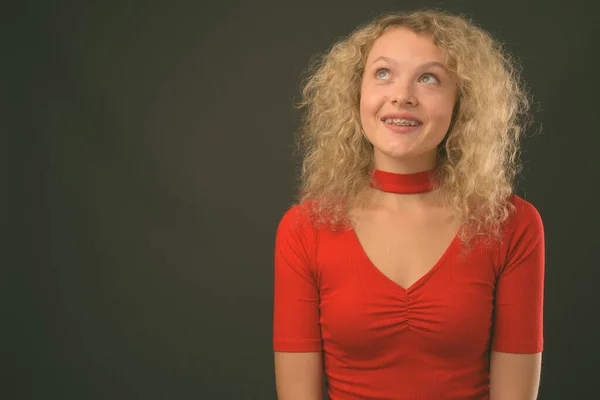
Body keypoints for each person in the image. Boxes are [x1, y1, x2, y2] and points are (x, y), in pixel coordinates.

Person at [273, 9, 544, 400]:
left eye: (429, 78)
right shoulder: (304, 228)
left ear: (461, 104)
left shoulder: (512, 224)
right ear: (356, 94)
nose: (402, 95)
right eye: (383, 73)